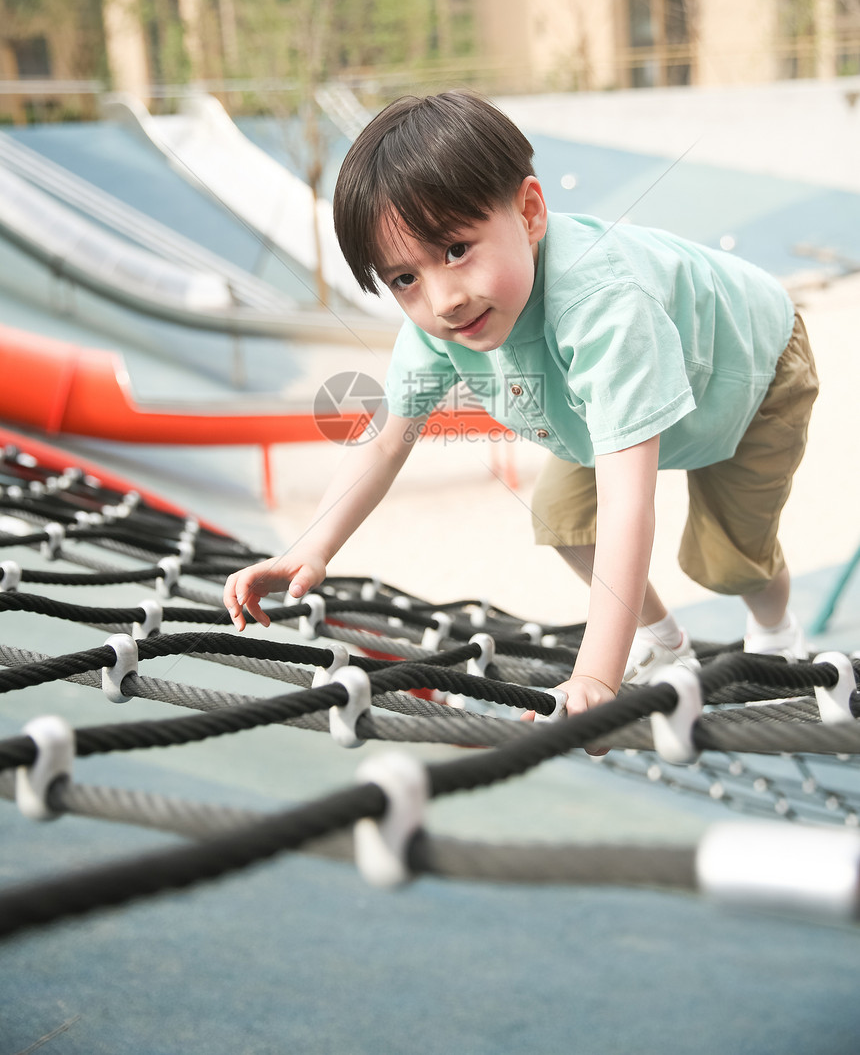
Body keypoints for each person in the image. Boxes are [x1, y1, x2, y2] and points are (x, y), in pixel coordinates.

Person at [222, 91, 818, 717]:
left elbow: (627, 502)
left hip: (751, 375)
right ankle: (662, 640)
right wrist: (309, 548)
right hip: (614, 398)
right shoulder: (440, 325)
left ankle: (778, 634)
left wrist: (596, 676)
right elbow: (386, 439)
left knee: (728, 562)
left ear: (530, 211)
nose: (444, 297)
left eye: (456, 249)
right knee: (563, 517)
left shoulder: (604, 308)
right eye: (405, 278)